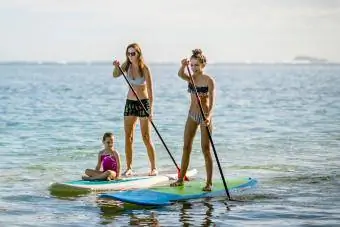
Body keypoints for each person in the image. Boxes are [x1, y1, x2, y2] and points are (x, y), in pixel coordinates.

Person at [170, 49, 215, 191]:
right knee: (186, 147)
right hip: (192, 115)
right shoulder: (190, 77)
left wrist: (208, 116)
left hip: (204, 117)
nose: (194, 68)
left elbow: (212, 101)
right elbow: (180, 74)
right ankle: (180, 179)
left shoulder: (209, 80)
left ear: (203, 65)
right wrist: (183, 65)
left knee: (205, 149)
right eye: (192, 65)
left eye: (196, 65)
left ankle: (209, 183)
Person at [112, 43, 157, 176]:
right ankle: (129, 167)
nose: (130, 56)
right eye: (128, 54)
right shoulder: (126, 66)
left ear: (138, 54)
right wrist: (116, 67)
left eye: (133, 53)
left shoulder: (145, 69)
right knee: (128, 136)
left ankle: (154, 168)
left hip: (143, 103)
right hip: (130, 103)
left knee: (146, 136)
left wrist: (151, 110)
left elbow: (150, 91)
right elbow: (115, 75)